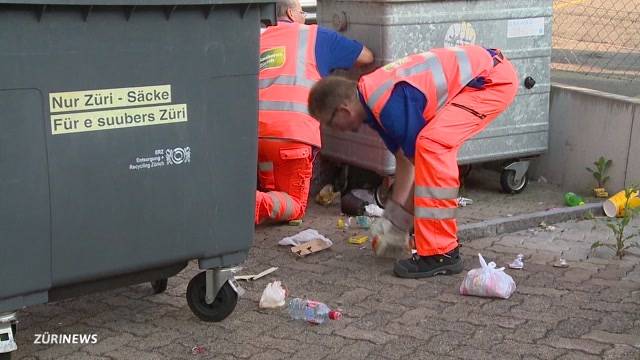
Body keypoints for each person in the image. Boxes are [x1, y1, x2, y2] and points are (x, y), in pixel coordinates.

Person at [308, 45, 519, 278]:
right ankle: (437, 247)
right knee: (428, 147)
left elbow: (420, 166)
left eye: (329, 122)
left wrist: (397, 225)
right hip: (487, 73)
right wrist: (393, 219)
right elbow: (405, 160)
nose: (333, 129)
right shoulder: (373, 99)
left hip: (491, 81)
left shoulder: (388, 105)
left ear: (343, 110)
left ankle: (441, 254)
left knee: (432, 146)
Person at [256, 0, 374, 225]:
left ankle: (246, 202)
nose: (304, 16)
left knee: (274, 193)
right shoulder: (315, 36)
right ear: (291, 13)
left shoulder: (260, 38)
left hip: (259, 139)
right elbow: (366, 57)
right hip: (293, 138)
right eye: (302, 11)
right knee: (295, 206)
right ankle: (237, 205)